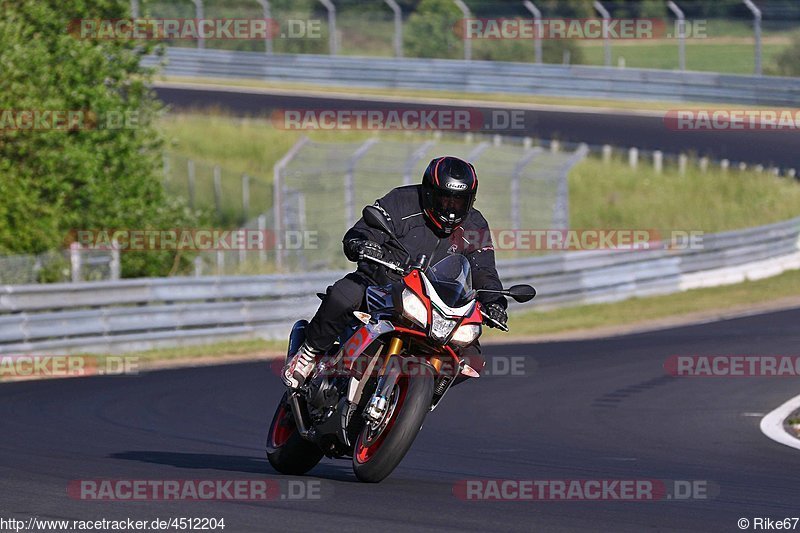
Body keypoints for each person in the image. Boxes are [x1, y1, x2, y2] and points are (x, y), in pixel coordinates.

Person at [282, 155, 508, 389]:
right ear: (430, 192)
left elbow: (484, 269)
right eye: (444, 200)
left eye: (459, 202)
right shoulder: (402, 201)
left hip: (436, 305)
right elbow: (364, 230)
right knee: (343, 294)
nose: (451, 209)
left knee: (472, 357)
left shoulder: (475, 225)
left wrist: (496, 302)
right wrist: (362, 243)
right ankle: (308, 354)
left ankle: (421, 394)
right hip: (382, 283)